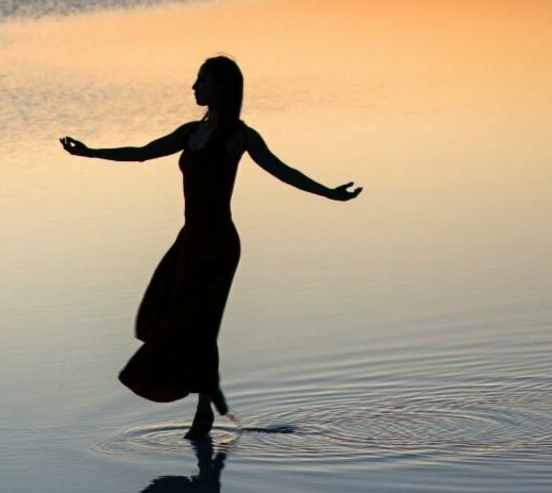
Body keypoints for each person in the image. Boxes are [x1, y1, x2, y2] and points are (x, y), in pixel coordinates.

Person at [59, 55, 361, 438]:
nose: (194, 87)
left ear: (221, 87)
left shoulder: (241, 137)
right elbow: (142, 152)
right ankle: (209, 388)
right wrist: (89, 152)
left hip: (218, 244)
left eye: (201, 80)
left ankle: (204, 409)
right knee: (161, 313)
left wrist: (329, 193)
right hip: (188, 240)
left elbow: (282, 171)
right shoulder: (190, 132)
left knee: (201, 324)